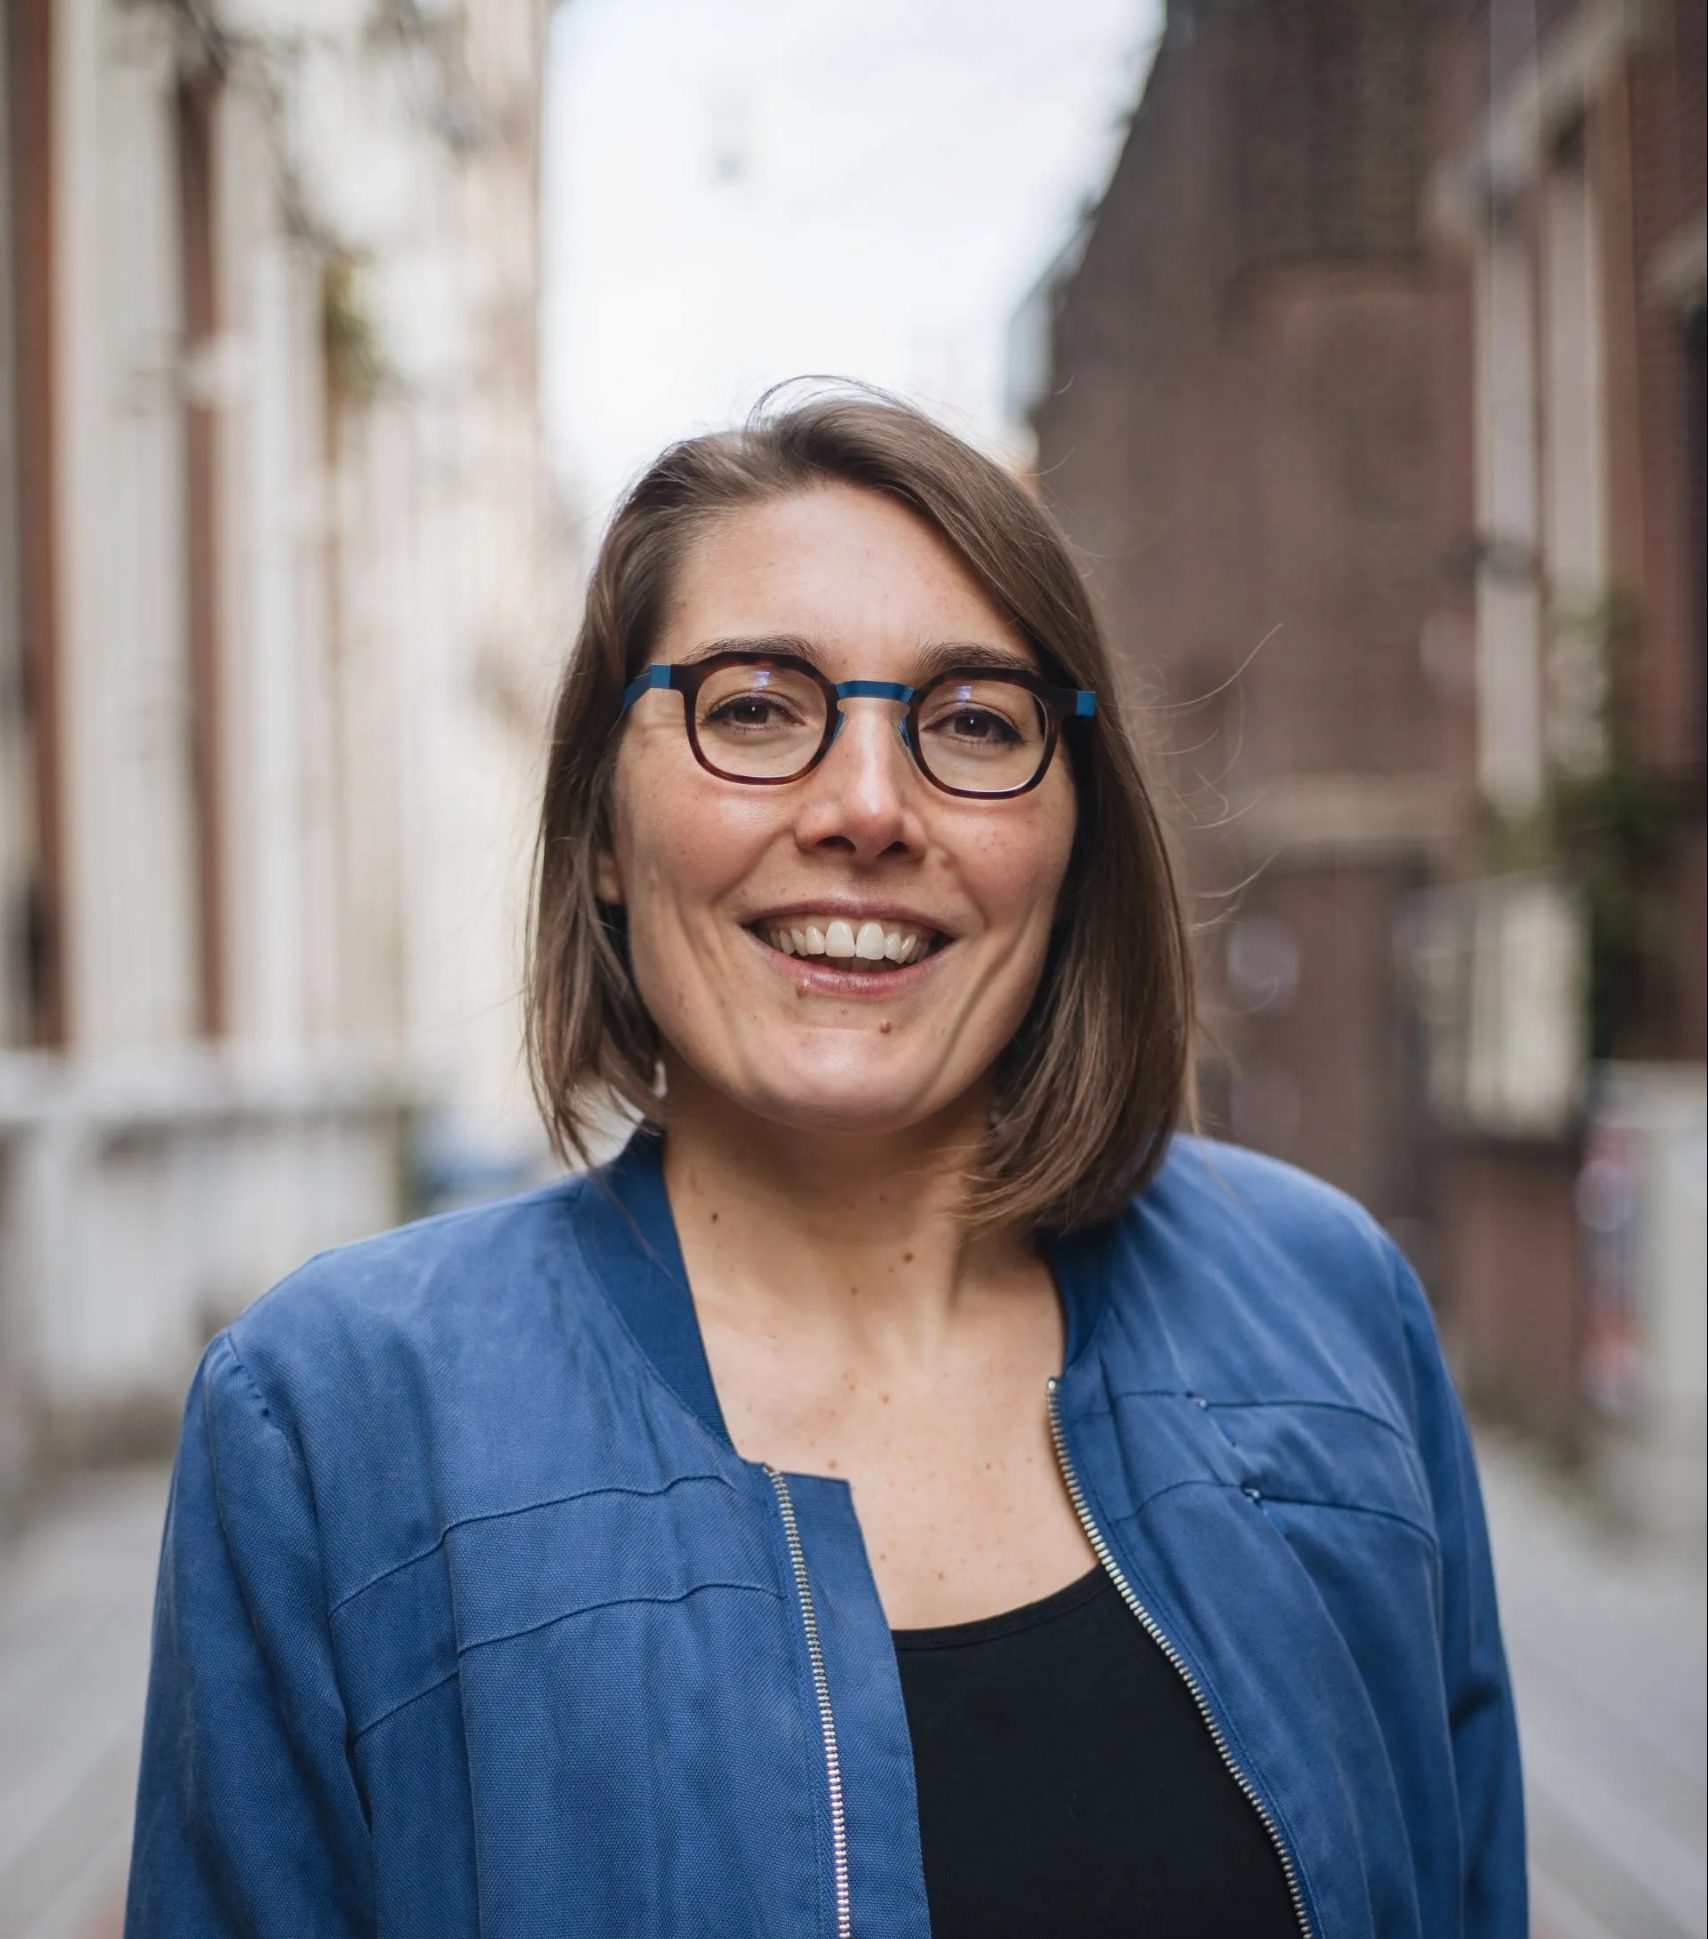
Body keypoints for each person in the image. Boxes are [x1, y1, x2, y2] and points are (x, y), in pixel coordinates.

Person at [125, 387, 1527, 1938]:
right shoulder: (334, 1419)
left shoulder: (1332, 1309)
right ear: (602, 829)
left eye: (976, 721)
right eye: (754, 709)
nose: (868, 807)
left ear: (1076, 840)